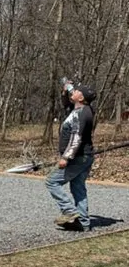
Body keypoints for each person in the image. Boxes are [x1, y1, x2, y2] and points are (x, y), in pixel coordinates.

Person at [46, 82, 96, 231]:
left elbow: (76, 138)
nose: (73, 91)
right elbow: (66, 105)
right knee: (78, 187)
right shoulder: (78, 109)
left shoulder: (82, 114)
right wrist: (64, 92)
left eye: (76, 91)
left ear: (81, 97)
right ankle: (83, 223)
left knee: (52, 181)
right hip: (85, 156)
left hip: (78, 157)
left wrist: (66, 157)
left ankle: (69, 212)